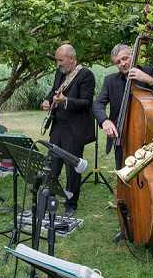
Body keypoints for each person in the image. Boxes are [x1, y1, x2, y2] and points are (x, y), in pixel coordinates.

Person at [93, 43, 153, 169]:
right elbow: (97, 104)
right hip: (121, 138)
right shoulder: (110, 81)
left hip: (146, 137)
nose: (122, 63)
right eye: (118, 62)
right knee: (122, 173)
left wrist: (149, 80)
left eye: (125, 58)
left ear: (132, 56)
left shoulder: (148, 72)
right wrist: (105, 121)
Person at [41, 44, 95, 217]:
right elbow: (53, 92)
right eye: (57, 60)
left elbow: (87, 102)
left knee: (72, 168)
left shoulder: (86, 75)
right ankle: (48, 195)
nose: (58, 64)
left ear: (72, 59)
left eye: (61, 60)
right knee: (52, 163)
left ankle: (71, 204)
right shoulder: (60, 73)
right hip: (58, 126)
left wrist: (66, 101)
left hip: (74, 129)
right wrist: (47, 101)